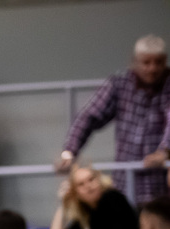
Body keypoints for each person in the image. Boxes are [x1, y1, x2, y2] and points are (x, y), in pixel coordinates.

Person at [59, 35, 170, 204]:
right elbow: (88, 116)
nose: (152, 68)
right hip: (125, 181)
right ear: (134, 61)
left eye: (158, 62)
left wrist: (165, 152)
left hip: (161, 182)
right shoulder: (119, 84)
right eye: (146, 63)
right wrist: (69, 151)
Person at [48, 166, 140, 229]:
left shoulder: (113, 198)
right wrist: (62, 205)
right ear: (76, 194)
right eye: (81, 184)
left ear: (99, 180)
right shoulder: (85, 216)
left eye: (91, 179)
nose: (88, 186)